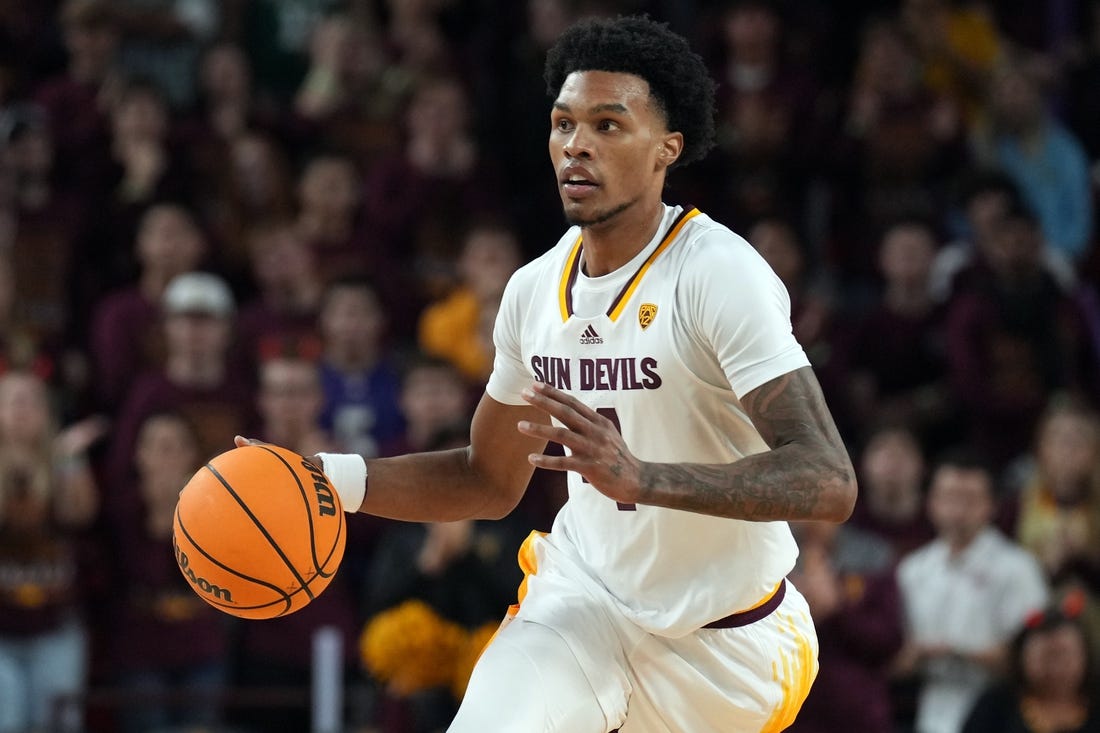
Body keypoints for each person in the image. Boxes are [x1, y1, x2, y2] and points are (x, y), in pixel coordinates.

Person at [239, 15, 856, 732]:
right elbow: (487, 478)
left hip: (729, 648)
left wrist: (646, 477)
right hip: (583, 604)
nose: (577, 145)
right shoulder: (533, 291)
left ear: (667, 149)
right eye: (564, 124)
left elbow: (828, 479)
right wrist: (329, 480)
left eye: (607, 125)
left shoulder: (719, 275)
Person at [895, 450, 1049, 733]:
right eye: (950, 497)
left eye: (970, 499)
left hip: (1002, 710)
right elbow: (895, 661)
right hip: (930, 707)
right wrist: (916, 656)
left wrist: (960, 652)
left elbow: (1035, 659)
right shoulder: (913, 570)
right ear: (932, 502)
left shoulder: (1018, 569)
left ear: (991, 505)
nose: (958, 510)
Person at [961, 589, 1100, 733]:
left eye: (1064, 655)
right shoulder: (996, 705)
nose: (1055, 668)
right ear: (1023, 657)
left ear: (1085, 655)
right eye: (1045, 657)